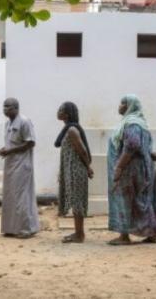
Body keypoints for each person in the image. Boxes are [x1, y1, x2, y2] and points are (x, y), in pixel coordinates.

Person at [107, 95, 156, 245]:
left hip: (130, 169)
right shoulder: (140, 123)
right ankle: (152, 233)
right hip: (140, 167)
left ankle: (124, 236)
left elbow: (132, 144)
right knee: (142, 200)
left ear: (130, 106)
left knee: (125, 199)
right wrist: (150, 154)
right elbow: (141, 145)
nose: (120, 106)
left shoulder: (131, 124)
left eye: (123, 103)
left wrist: (119, 167)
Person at [0, 98, 39, 239]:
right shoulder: (7, 123)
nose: (4, 109)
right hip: (10, 164)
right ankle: (10, 228)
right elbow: (11, 144)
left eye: (7, 107)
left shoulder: (25, 121)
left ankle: (25, 229)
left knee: (21, 197)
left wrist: (10, 151)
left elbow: (30, 143)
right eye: (4, 106)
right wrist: (3, 150)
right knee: (10, 196)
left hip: (22, 164)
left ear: (16, 108)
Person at [55, 101, 93, 243]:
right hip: (72, 169)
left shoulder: (71, 130)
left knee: (77, 201)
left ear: (66, 114)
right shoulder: (68, 129)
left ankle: (79, 235)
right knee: (76, 201)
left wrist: (88, 168)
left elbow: (82, 151)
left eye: (60, 110)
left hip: (76, 169)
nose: (58, 112)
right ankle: (78, 233)